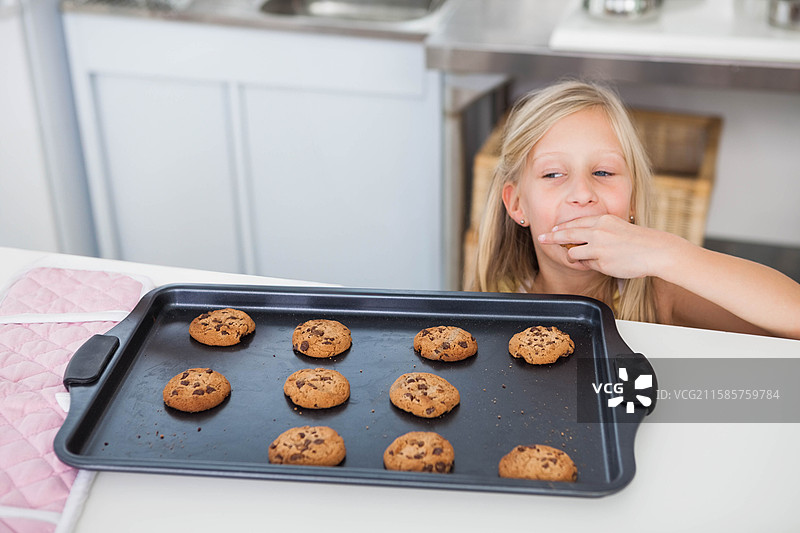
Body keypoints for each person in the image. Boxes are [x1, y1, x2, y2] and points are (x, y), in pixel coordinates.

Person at [472, 80, 800, 340]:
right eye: (553, 174)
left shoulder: (658, 293)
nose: (582, 194)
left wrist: (669, 253)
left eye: (603, 172)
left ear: (632, 199)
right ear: (517, 204)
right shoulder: (498, 298)